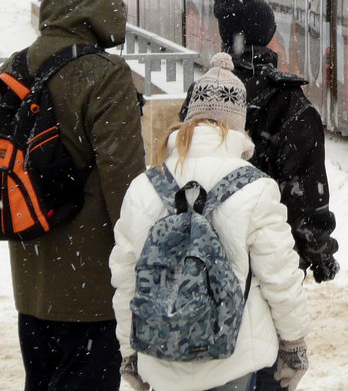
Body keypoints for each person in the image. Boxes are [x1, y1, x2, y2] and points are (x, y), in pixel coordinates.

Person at [0, 0, 146, 391]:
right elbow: (127, 191)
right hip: (91, 293)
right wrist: (143, 268)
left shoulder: (13, 70)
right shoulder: (107, 76)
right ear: (100, 6)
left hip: (31, 282)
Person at [111, 53, 311, 391]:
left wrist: (130, 354)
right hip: (232, 360)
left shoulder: (143, 187)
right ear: (237, 124)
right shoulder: (256, 187)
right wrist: (293, 346)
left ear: (189, 120)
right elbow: (280, 277)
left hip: (162, 360)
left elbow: (127, 281)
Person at [185, 0, 339, 283]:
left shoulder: (202, 94)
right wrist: (321, 255)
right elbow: (307, 200)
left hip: (201, 262)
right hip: (268, 266)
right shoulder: (291, 104)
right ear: (267, 36)